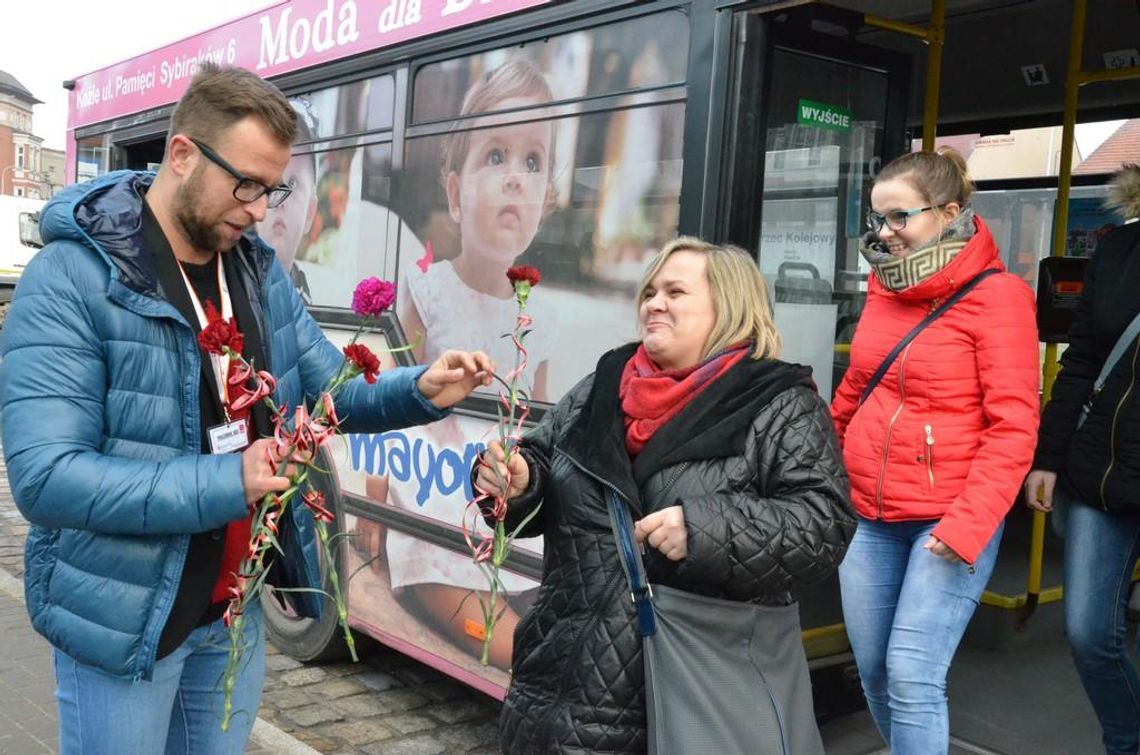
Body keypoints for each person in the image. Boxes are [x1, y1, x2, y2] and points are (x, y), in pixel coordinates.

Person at [0, 64, 493, 755]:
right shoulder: (71, 280)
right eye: (248, 184)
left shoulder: (256, 272)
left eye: (274, 188)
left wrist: (418, 390)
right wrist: (228, 481)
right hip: (124, 626)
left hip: (231, 615)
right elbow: (46, 477)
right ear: (181, 156)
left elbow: (327, 393)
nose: (262, 209)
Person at [475, 236, 855, 752]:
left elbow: (822, 524)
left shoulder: (781, 405)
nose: (654, 303)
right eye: (650, 291)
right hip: (558, 677)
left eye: (675, 292)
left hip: (684, 689)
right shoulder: (604, 383)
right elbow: (542, 462)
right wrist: (518, 483)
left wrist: (704, 529)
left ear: (730, 308)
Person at [830, 148, 1040, 755]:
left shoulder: (999, 297)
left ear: (949, 212)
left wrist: (970, 523)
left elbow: (1014, 425)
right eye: (877, 219)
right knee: (872, 669)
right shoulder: (883, 286)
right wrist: (817, 470)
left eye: (900, 219)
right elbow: (855, 391)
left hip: (947, 520)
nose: (885, 234)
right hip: (866, 513)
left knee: (912, 674)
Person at [1024, 163, 1140, 755]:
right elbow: (1084, 360)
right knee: (1090, 633)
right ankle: (1128, 741)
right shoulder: (1120, 249)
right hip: (1106, 473)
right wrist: (1048, 455)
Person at [399, 59, 557, 402]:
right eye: (497, 157)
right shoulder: (429, 293)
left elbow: (539, 425)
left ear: (543, 202)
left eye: (532, 162)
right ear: (456, 196)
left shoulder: (539, 321)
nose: (516, 178)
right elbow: (395, 395)